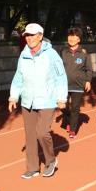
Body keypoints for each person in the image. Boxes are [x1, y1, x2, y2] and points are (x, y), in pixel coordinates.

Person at [8, 23, 68, 178]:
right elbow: (18, 76)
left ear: (40, 36)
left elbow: (61, 77)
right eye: (27, 35)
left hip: (47, 99)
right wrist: (13, 96)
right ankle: (33, 167)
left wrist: (62, 98)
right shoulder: (24, 54)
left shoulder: (51, 54)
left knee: (42, 132)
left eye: (33, 35)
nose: (29, 38)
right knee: (30, 136)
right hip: (28, 100)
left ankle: (50, 160)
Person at [60, 27, 91, 139]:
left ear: (79, 39)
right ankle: (70, 117)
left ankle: (73, 129)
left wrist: (88, 81)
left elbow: (88, 69)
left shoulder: (83, 53)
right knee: (62, 106)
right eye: (70, 36)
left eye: (74, 36)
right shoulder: (63, 52)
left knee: (75, 108)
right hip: (64, 85)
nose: (71, 38)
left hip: (78, 85)